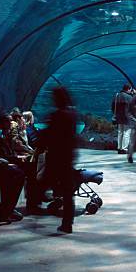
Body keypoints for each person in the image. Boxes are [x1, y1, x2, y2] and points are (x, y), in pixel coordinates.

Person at [41, 87, 78, 234]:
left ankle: (40, 201)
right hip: (68, 158)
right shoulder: (72, 114)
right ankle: (67, 223)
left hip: (56, 157)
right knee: (69, 193)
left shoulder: (56, 115)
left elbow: (49, 136)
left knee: (44, 182)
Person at [0, 115, 42, 215]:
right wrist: (18, 158)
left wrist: (18, 157)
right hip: (5, 163)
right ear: (3, 123)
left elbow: (9, 153)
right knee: (24, 173)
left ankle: (32, 202)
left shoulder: (6, 135)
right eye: (9, 122)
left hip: (10, 160)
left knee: (32, 168)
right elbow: (3, 155)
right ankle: (10, 208)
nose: (11, 124)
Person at [111, 84, 133, 154]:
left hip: (118, 117)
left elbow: (112, 106)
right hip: (127, 118)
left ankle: (119, 148)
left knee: (120, 132)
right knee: (126, 133)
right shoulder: (129, 97)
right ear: (128, 89)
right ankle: (124, 148)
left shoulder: (117, 95)